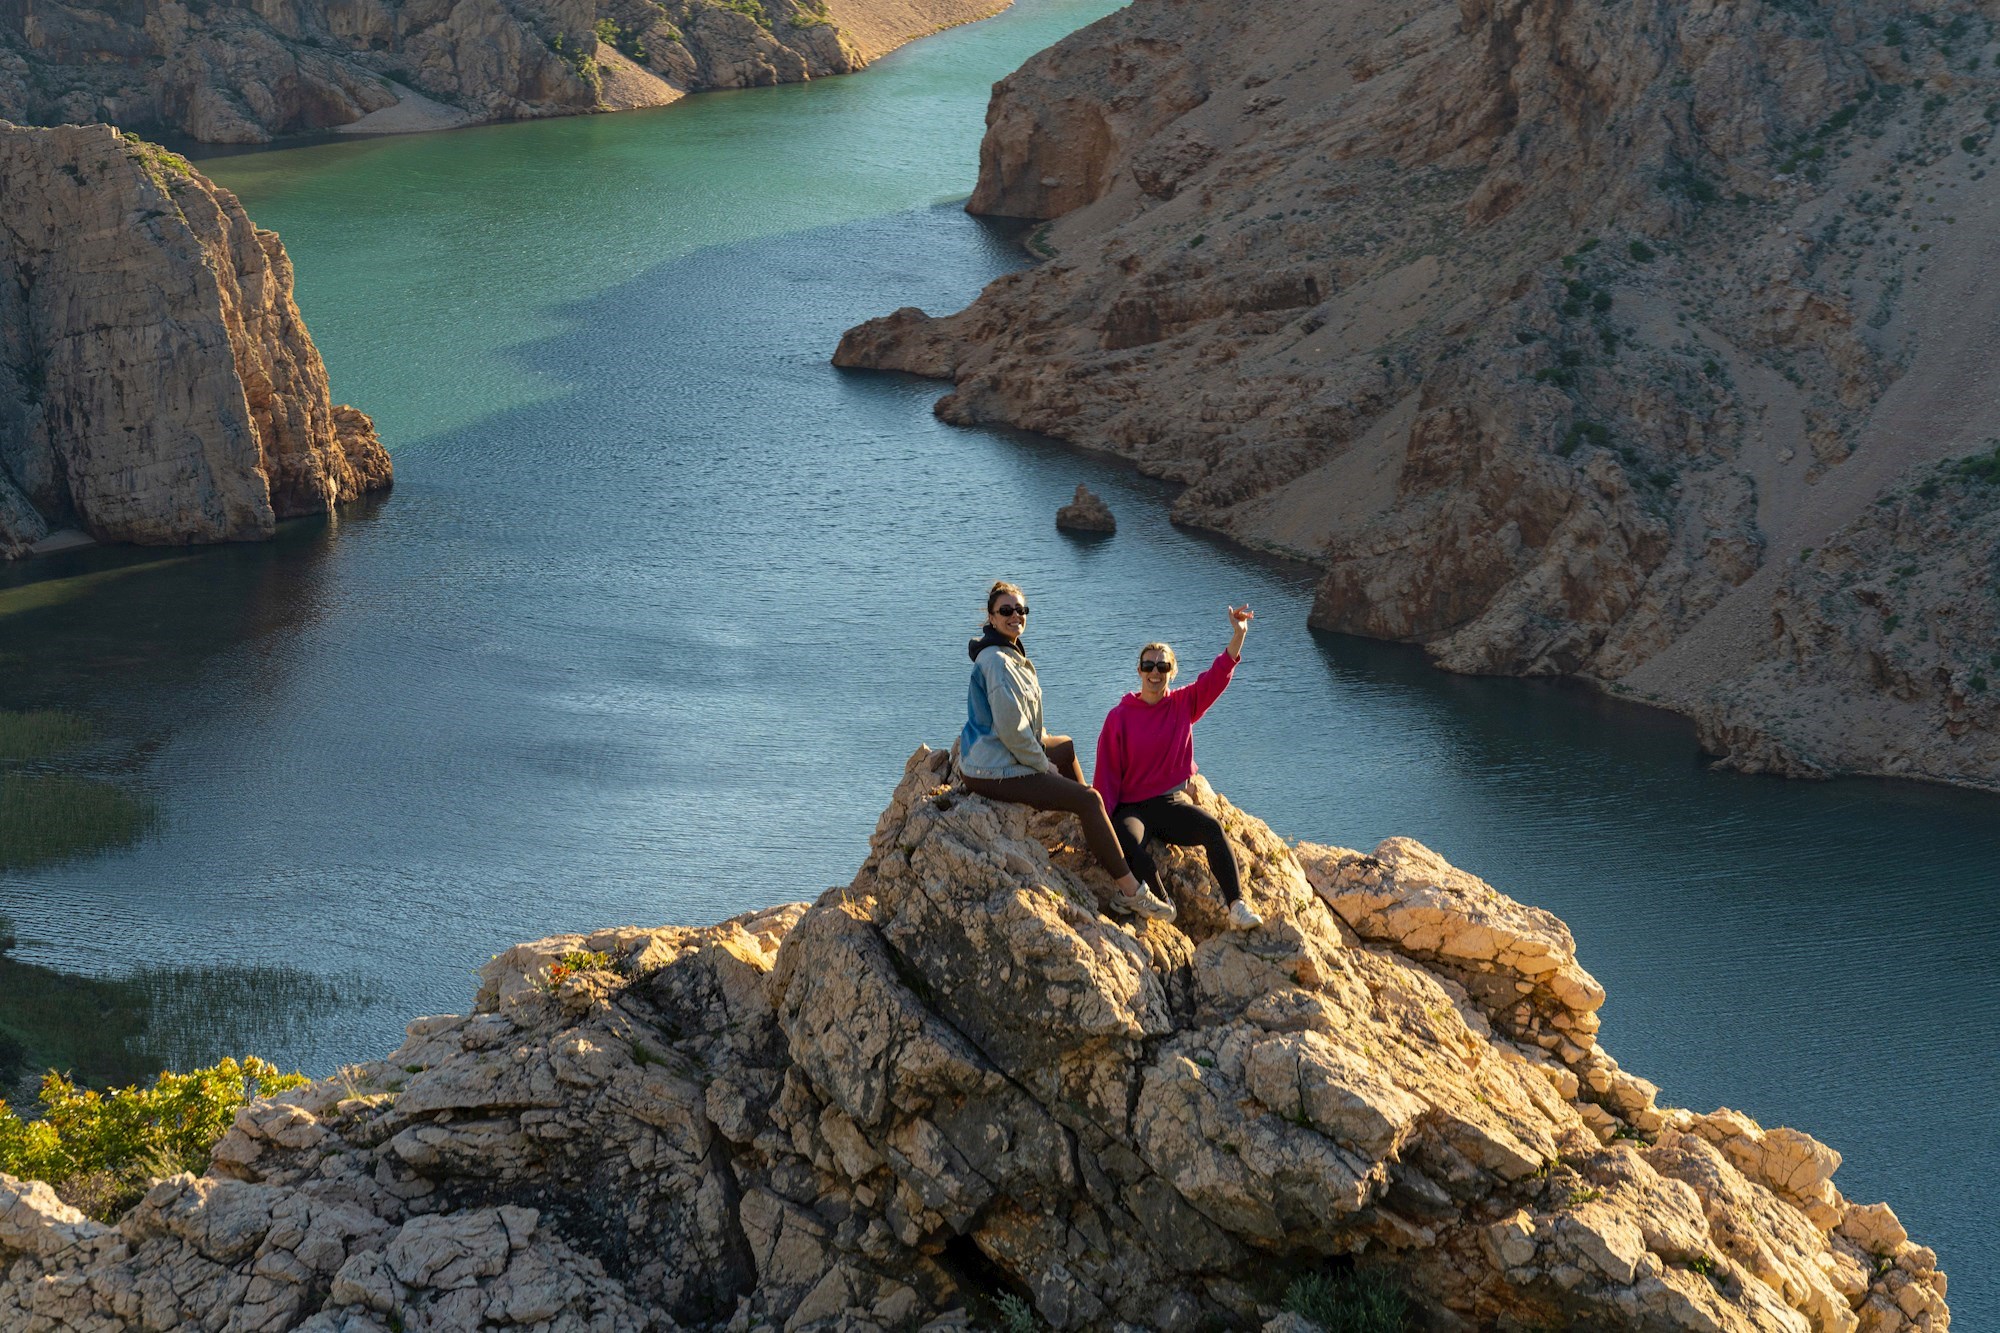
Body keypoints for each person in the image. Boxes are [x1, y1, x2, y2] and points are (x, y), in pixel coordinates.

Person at [959, 580, 1175, 921]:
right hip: (993, 768)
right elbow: (1012, 732)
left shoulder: (1009, 653)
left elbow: (1025, 723)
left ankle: (1094, 831)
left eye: (1020, 610)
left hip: (995, 752)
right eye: (1006, 610)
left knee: (1067, 746)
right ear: (991, 616)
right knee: (1088, 798)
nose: (1015, 615)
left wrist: (1045, 748)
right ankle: (1133, 892)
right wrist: (1042, 764)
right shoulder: (998, 663)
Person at [1093, 605, 1265, 930]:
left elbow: (1217, 676)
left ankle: (1237, 906)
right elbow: (1106, 774)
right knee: (1127, 842)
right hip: (1131, 808)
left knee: (1212, 830)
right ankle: (1160, 902)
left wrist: (1238, 635)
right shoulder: (1119, 717)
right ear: (1139, 670)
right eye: (1148, 665)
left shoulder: (1184, 704)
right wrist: (1103, 820)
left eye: (1162, 666)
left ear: (1172, 671)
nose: (1154, 672)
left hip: (1169, 805)